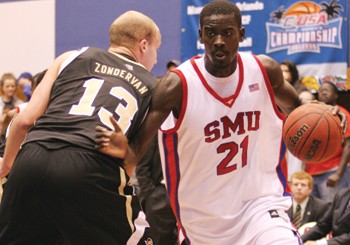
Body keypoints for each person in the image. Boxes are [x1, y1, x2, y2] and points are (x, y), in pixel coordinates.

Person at [96, 1, 347, 244]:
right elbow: (137, 150)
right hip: (204, 222)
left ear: (241, 34)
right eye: (211, 33)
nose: (219, 41)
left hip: (261, 207)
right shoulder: (177, 85)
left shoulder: (264, 71)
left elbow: (300, 114)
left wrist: (326, 117)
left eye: (227, 33)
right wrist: (125, 150)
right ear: (200, 35)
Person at [0, 10, 161, 244]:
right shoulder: (152, 86)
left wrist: (7, 163)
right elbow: (131, 160)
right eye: (156, 49)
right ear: (143, 45)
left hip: (31, 158)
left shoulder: (71, 57)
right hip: (90, 165)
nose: (155, 59)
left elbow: (25, 120)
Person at [305, 82, 350, 203]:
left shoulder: (342, 114)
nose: (323, 93)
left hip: (332, 171)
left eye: (327, 90)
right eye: (320, 91)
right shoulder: (313, 113)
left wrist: (338, 174)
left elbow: (348, 146)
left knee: (334, 211)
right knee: (317, 214)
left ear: (335, 95)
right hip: (312, 172)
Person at [134, 135, 177, 245]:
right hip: (160, 197)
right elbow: (142, 167)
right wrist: (152, 195)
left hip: (186, 196)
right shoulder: (157, 130)